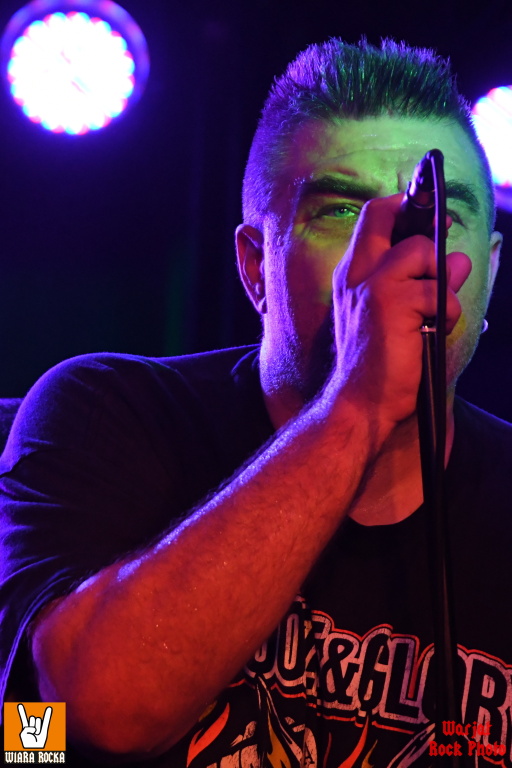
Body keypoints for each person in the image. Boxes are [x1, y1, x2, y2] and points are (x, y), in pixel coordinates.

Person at [0, 37, 511, 768]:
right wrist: (354, 408)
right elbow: (59, 725)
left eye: (439, 220)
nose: (401, 255)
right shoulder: (106, 411)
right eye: (342, 212)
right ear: (254, 268)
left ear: (489, 269)